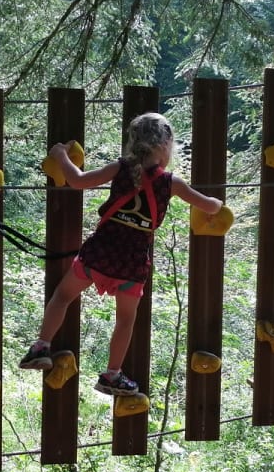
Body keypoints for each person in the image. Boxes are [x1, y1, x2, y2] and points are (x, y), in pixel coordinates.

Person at [19, 112, 223, 396]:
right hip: (132, 264)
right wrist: (217, 200)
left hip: (99, 254)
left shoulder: (120, 168)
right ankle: (112, 375)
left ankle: (41, 347)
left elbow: (77, 181)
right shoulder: (171, 182)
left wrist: (60, 154)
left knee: (62, 297)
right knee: (125, 320)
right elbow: (211, 207)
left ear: (133, 142)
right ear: (166, 145)